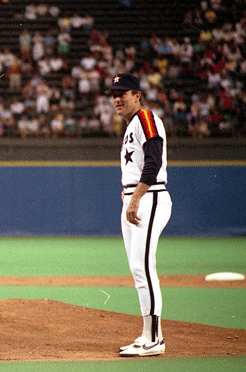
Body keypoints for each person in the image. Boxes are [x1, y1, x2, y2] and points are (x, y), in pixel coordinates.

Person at [105, 73, 172, 357]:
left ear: (137, 95)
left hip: (150, 197)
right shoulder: (133, 124)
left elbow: (154, 160)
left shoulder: (145, 119)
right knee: (137, 267)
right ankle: (146, 334)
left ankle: (155, 338)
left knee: (144, 266)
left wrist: (136, 196)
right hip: (137, 197)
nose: (117, 98)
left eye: (123, 92)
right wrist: (129, 192)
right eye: (114, 93)